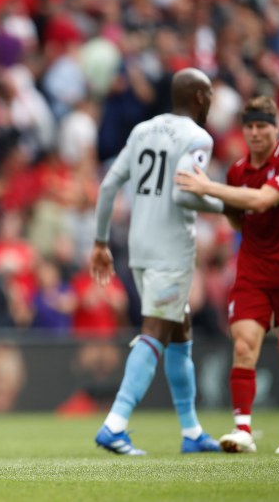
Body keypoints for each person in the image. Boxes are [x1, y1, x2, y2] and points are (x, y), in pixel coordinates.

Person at [90, 67, 224, 455]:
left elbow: (109, 184)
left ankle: (192, 431)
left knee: (180, 333)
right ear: (199, 97)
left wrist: (100, 241)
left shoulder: (143, 130)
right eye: (210, 93)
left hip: (139, 247)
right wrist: (227, 202)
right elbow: (186, 193)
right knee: (155, 331)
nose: (212, 100)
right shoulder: (198, 137)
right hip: (172, 249)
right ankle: (115, 424)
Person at [176, 96, 279, 454]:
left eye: (262, 126)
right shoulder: (238, 170)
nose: (255, 133)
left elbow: (259, 201)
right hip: (253, 271)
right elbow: (239, 216)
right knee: (243, 345)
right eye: (250, 127)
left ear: (275, 128)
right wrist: (217, 203)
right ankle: (242, 429)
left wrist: (207, 188)